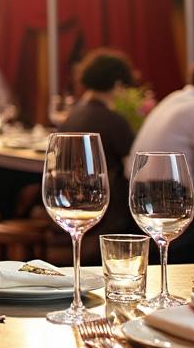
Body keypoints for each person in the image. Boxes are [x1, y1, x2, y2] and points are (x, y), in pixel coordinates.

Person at [58, 49, 137, 238]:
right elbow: (134, 168)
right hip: (104, 212)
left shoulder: (72, 115)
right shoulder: (113, 121)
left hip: (69, 202)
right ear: (118, 84)